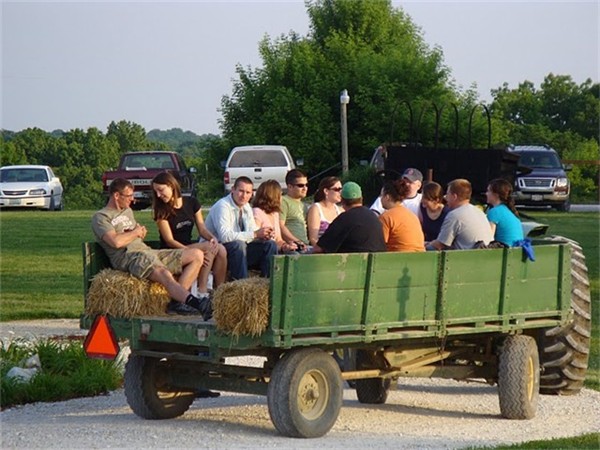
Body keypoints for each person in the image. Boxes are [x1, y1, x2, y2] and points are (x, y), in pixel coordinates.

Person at [91, 178, 212, 318]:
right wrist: (135, 232)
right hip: (130, 257)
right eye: (129, 196)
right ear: (116, 196)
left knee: (196, 254)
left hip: (146, 251)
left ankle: (177, 302)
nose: (132, 199)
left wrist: (137, 233)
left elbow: (134, 234)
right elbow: (116, 242)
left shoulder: (127, 211)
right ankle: (197, 303)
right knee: (164, 274)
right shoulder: (101, 217)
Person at [151, 172, 227, 296]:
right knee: (207, 248)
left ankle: (221, 291)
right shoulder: (161, 210)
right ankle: (201, 290)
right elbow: (169, 240)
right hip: (171, 250)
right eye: (156, 192)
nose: (158, 195)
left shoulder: (192, 203)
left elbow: (202, 229)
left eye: (160, 190)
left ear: (171, 186)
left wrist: (212, 238)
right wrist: (190, 252)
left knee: (220, 249)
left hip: (188, 245)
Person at [204, 176, 278, 280]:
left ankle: (266, 282)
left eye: (248, 192)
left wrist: (262, 235)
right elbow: (225, 237)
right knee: (238, 245)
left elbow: (252, 230)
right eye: (241, 191)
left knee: (270, 244)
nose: (244, 196)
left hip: (238, 251)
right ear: (233, 189)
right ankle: (241, 284)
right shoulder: (223, 206)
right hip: (217, 250)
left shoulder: (246, 206)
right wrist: (255, 234)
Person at [313, 182, 386, 254]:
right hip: (377, 264)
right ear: (361, 198)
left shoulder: (344, 219)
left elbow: (318, 248)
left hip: (352, 265)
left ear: (342, 201)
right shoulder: (374, 217)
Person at [427, 179, 493, 250]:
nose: (445, 197)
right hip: (485, 255)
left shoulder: (454, 215)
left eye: (448, 194)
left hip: (466, 258)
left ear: (454, 197)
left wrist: (425, 245)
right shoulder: (479, 212)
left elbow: (440, 244)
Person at [252, 179, 299, 253]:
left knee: (294, 253)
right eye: (280, 195)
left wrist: (285, 246)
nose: (281, 198)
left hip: (275, 249)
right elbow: (254, 238)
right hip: (263, 250)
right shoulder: (257, 212)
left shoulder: (275, 214)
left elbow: (278, 239)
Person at [378, 179, 425, 252]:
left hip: (397, 259)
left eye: (381, 195)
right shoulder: (412, 216)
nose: (380, 199)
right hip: (421, 258)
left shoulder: (386, 217)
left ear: (387, 197)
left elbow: (379, 244)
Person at [485, 178, 524, 247]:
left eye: (488, 191)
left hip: (504, 252)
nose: (486, 194)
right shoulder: (510, 211)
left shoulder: (494, 212)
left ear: (496, 194)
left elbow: (488, 238)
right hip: (517, 250)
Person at [306, 176, 343, 246]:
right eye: (337, 189)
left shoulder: (341, 211)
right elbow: (313, 239)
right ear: (326, 191)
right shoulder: (316, 209)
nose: (340, 192)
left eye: (341, 189)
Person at [280, 169, 309, 249]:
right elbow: (280, 226)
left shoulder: (304, 206)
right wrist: (298, 242)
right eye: (300, 185)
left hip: (306, 245)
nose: (305, 188)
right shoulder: (283, 201)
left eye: (306, 185)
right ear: (290, 186)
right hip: (292, 247)